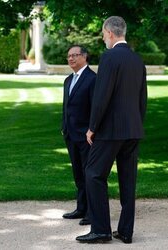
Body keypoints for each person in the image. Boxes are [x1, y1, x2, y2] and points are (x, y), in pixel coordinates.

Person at [76, 16, 147, 244]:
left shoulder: (109, 57)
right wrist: (137, 123)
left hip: (110, 130)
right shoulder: (137, 59)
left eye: (103, 34)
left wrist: (92, 127)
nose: (103, 38)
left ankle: (101, 230)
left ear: (109, 32)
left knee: (93, 174)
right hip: (133, 129)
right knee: (128, 180)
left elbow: (101, 96)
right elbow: (142, 98)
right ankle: (126, 231)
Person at [61, 45, 96, 226]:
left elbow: (95, 109)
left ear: (84, 57)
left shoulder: (92, 79)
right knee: (78, 174)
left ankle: (92, 212)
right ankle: (81, 208)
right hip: (70, 135)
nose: (71, 59)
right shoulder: (68, 80)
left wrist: (92, 130)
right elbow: (66, 107)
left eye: (75, 55)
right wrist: (63, 127)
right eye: (69, 56)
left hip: (86, 136)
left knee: (88, 174)